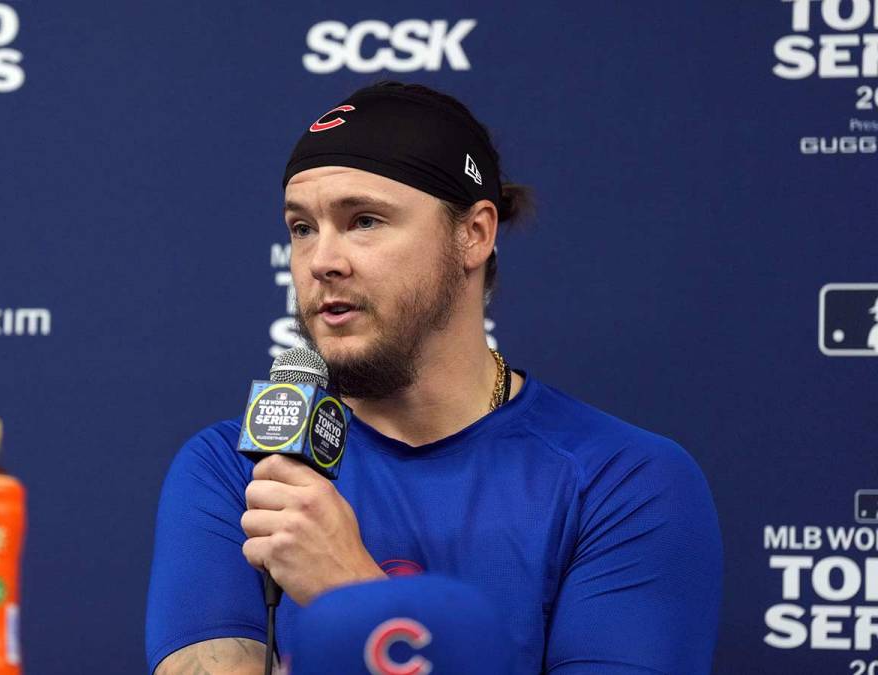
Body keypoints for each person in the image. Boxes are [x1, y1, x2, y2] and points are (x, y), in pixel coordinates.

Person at [146, 81, 722, 674]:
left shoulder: (623, 481)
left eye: (364, 220)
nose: (322, 260)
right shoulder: (238, 468)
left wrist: (357, 601)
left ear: (474, 234)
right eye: (301, 228)